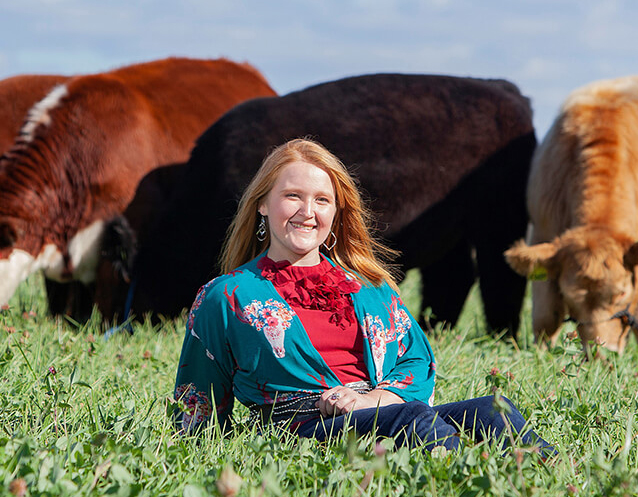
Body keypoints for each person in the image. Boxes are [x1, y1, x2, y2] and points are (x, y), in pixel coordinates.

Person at [173, 138, 553, 455]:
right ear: (262, 204)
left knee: (493, 410)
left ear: (336, 212)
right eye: (292, 196)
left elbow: (416, 359)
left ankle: (552, 483)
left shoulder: (371, 287)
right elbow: (197, 404)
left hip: (383, 411)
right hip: (300, 433)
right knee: (415, 421)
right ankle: (462, 483)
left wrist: (375, 399)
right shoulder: (226, 297)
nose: (308, 212)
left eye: (322, 200)